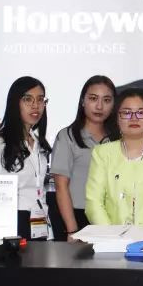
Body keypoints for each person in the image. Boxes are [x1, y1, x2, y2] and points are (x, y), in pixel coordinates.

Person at [84, 89, 143, 238]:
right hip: (111, 242)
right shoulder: (102, 153)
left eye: (141, 113)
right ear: (117, 119)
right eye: (126, 113)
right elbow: (94, 202)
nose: (134, 118)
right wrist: (112, 238)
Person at [0, 77, 53, 241]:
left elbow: (39, 190)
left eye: (40, 99)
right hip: (13, 223)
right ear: (15, 103)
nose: (35, 105)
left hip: (39, 221)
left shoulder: (37, 142)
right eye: (28, 99)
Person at [51, 76, 116, 240]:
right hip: (76, 216)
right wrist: (72, 230)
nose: (99, 106)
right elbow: (61, 186)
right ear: (82, 101)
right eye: (93, 98)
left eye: (106, 100)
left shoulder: (118, 139)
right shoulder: (67, 136)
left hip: (112, 219)